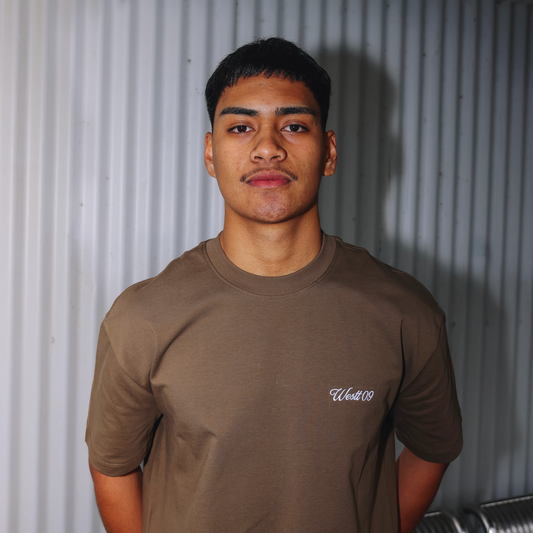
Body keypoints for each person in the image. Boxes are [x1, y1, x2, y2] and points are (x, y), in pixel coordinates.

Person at [86, 37, 462, 533]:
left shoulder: (405, 313)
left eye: (294, 126)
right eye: (241, 127)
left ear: (329, 152)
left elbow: (432, 448)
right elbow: (112, 467)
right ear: (210, 154)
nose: (268, 147)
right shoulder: (143, 318)